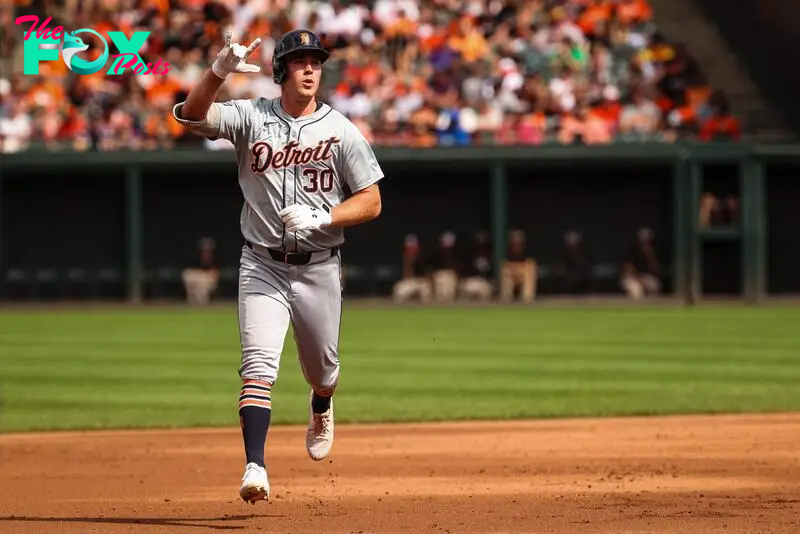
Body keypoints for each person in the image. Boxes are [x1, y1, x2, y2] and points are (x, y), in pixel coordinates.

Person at [171, 29, 384, 504]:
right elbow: (191, 115)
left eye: (316, 61)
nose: (310, 68)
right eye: (300, 61)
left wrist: (324, 215)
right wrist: (218, 71)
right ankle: (255, 466)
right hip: (262, 264)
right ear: (281, 70)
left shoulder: (341, 129)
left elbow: (371, 201)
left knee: (322, 370)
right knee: (258, 367)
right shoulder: (251, 117)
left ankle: (322, 403)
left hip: (319, 268)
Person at [620, 227, 661, 299]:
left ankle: (650, 309)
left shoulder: (652, 252)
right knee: (637, 292)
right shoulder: (632, 251)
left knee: (655, 286)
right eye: (644, 240)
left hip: (645, 277)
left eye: (648, 240)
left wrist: (650, 255)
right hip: (631, 277)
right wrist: (638, 279)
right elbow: (628, 268)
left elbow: (656, 269)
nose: (646, 242)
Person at [392, 234, 433, 303]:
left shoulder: (424, 257)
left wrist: (424, 280)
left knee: (426, 295)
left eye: (413, 248)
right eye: (409, 248)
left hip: (423, 282)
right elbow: (407, 275)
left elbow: (430, 275)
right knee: (399, 293)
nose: (411, 250)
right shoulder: (406, 258)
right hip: (411, 281)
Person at [181, 237, 220, 304]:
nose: (206, 253)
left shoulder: (216, 259)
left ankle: (202, 304)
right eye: (204, 250)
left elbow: (215, 273)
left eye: (208, 250)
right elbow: (189, 271)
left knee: (204, 284)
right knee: (189, 276)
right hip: (198, 278)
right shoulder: (195, 259)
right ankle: (193, 303)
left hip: (208, 279)